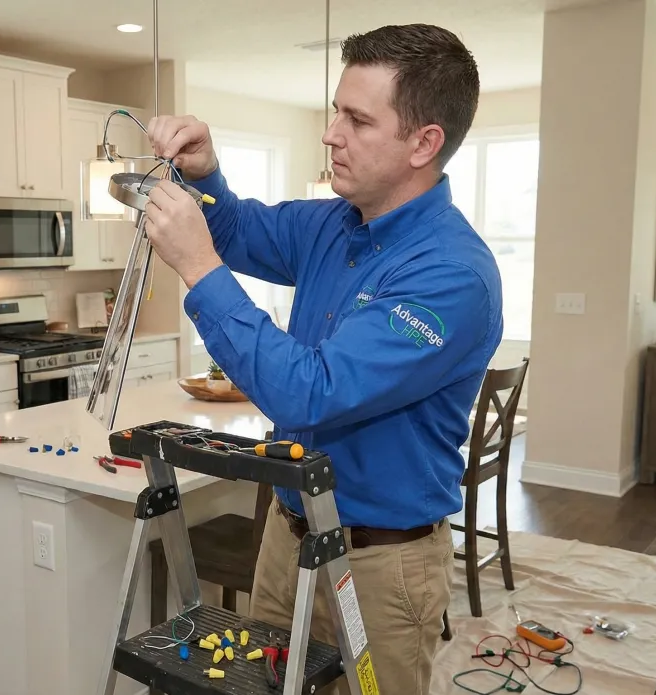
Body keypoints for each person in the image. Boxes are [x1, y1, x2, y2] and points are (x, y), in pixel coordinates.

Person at [141, 23, 503, 695]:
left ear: (424, 142)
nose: (332, 133)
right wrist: (206, 171)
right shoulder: (335, 222)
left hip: (382, 564)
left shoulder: (452, 275)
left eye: (358, 120)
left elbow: (313, 390)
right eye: (337, 110)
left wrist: (197, 267)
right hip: (288, 532)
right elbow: (240, 227)